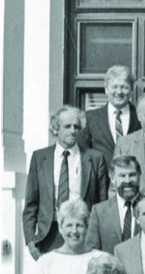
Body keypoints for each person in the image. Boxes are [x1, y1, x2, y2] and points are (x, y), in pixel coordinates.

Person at [23, 105, 109, 254]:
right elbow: (31, 203)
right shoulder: (40, 158)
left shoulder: (95, 158)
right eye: (67, 126)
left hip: (83, 234)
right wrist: (31, 240)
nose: (73, 131)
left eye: (76, 126)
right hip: (49, 235)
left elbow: (102, 203)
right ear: (56, 128)